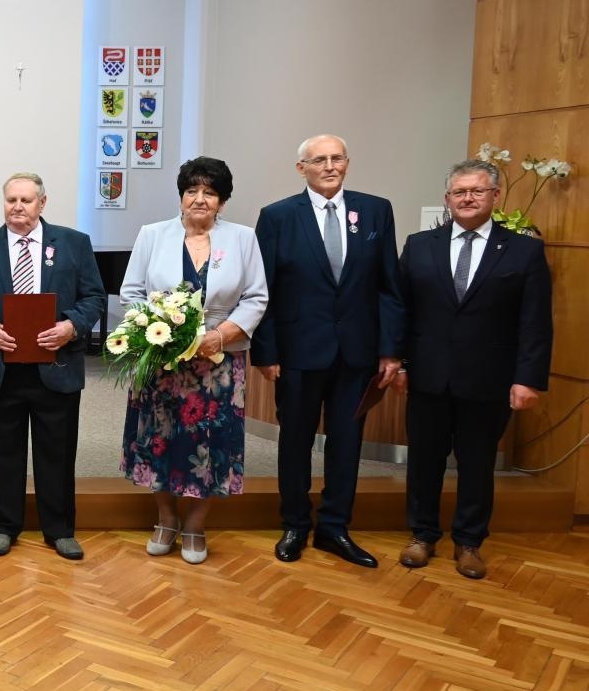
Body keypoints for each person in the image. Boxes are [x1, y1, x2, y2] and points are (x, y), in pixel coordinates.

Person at [395, 159, 552, 580]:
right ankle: (423, 535)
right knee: (423, 460)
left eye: (476, 191)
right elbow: (403, 311)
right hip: (428, 376)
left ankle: (469, 542)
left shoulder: (524, 250)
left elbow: (535, 321)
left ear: (495, 197)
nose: (467, 198)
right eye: (459, 192)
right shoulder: (419, 244)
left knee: (477, 462)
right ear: (447, 199)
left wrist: (528, 377)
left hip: (489, 379)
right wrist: (401, 363)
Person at [253, 135, 404, 568]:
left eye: (337, 158)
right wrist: (266, 352)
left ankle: (335, 526)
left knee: (347, 441)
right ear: (302, 168)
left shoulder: (376, 210)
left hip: (357, 353)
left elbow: (388, 286)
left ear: (348, 164)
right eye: (319, 160)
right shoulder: (278, 216)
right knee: (295, 441)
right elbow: (264, 291)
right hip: (299, 353)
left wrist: (391, 350)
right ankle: (296, 524)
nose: (330, 166)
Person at [120, 157, 268, 564]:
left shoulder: (242, 238)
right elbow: (131, 292)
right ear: (182, 196)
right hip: (162, 359)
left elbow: (257, 297)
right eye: (192, 191)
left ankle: (196, 526)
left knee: (212, 445)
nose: (200, 199)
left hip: (218, 364)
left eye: (210, 192)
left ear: (222, 201)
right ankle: (166, 519)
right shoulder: (153, 235)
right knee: (160, 440)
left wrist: (221, 334)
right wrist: (156, 328)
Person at [0, 173, 106, 559]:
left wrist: (71, 326)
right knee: (1, 450)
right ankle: (4, 526)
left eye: (26, 200)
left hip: (55, 366)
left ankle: (59, 529)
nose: (18, 207)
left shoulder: (74, 244)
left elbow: (94, 298)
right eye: (11, 200)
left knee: (56, 451)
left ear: (43, 203)